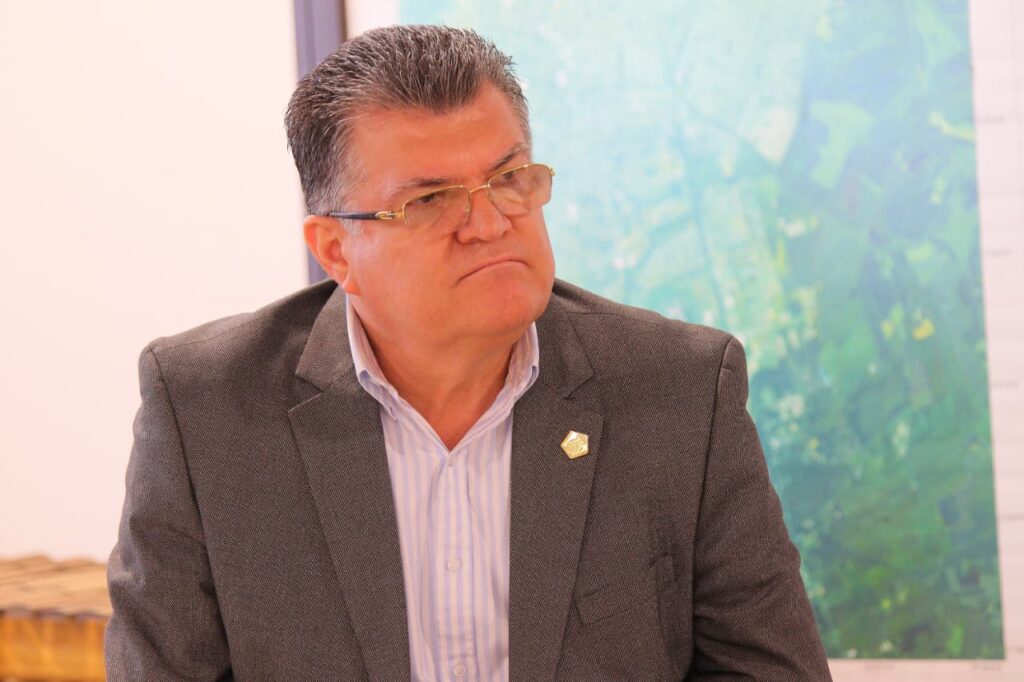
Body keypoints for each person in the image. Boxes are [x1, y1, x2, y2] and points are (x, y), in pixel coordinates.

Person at [105, 25, 831, 681]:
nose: (487, 224)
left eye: (508, 180)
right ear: (336, 251)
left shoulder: (680, 390)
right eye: (430, 200)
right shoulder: (205, 409)